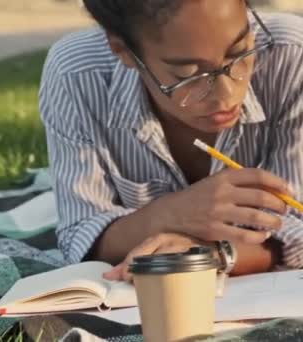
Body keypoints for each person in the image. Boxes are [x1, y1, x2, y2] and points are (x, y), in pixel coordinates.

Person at [40, 0, 303, 282]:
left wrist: (213, 254)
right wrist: (169, 215)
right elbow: (78, 237)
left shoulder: (292, 54)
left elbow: (297, 226)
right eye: (188, 74)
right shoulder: (76, 73)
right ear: (124, 51)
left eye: (239, 52)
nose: (226, 95)